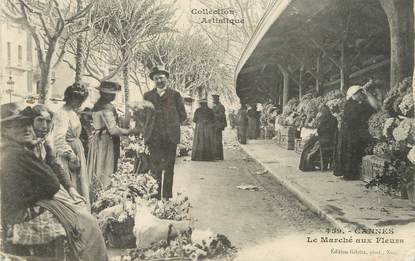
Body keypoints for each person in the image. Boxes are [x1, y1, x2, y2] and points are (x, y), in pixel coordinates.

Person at [0, 103, 108, 260]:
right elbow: (49, 183)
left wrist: (71, 188)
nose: (26, 129)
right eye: (16, 125)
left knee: (83, 213)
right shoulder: (18, 152)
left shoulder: (29, 146)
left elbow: (55, 167)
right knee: (85, 223)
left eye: (25, 124)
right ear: (4, 131)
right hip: (28, 205)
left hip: (38, 196)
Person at [143, 65, 187, 199]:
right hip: (154, 138)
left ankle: (167, 197)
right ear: (153, 80)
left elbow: (183, 115)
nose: (159, 81)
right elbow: (144, 115)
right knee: (155, 168)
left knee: (169, 168)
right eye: (156, 78)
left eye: (161, 78)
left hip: (170, 138)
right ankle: (155, 197)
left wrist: (171, 123)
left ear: (166, 78)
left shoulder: (175, 95)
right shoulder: (148, 95)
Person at [87, 81, 133, 200]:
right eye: (112, 93)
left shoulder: (98, 105)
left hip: (99, 139)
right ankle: (103, 196)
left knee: (98, 168)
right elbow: (113, 130)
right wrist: (129, 131)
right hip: (105, 141)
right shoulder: (106, 108)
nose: (114, 96)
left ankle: (97, 194)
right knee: (105, 168)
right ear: (105, 94)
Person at [32, 104, 86, 204]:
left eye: (48, 122)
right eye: (40, 120)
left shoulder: (45, 145)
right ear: (31, 122)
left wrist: (70, 188)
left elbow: (55, 166)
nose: (44, 126)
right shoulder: (27, 146)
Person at [53, 83, 90, 206]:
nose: (80, 103)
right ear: (69, 98)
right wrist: (71, 155)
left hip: (76, 148)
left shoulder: (71, 112)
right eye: (77, 99)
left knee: (80, 182)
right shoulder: (62, 114)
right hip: (69, 153)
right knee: (72, 182)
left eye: (82, 100)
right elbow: (58, 138)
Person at [334, 83, 380, 180]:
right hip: (351, 132)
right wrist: (369, 96)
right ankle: (350, 174)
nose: (361, 96)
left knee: (348, 151)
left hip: (348, 131)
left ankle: (348, 173)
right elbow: (375, 107)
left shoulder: (351, 103)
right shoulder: (354, 105)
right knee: (351, 151)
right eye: (359, 94)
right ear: (354, 95)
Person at [299, 104, 338, 171]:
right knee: (310, 143)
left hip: (326, 139)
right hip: (331, 139)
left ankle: (307, 164)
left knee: (309, 144)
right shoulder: (333, 118)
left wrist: (319, 130)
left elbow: (320, 130)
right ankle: (310, 162)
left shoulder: (324, 119)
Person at [211, 94, 227, 160]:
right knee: (215, 140)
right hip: (214, 125)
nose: (213, 100)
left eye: (214, 99)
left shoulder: (221, 106)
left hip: (218, 125)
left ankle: (219, 156)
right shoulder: (215, 106)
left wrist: (213, 115)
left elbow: (221, 115)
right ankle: (216, 155)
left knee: (218, 140)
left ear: (217, 99)